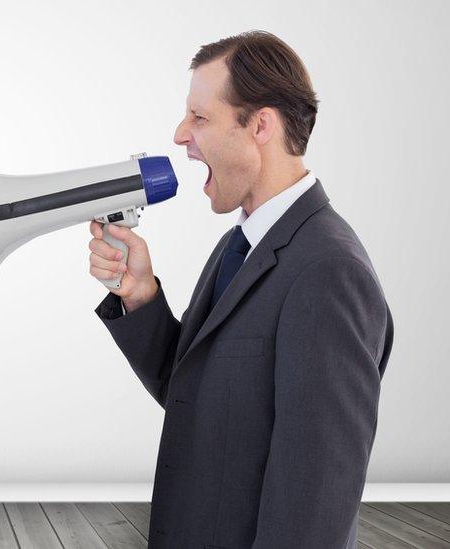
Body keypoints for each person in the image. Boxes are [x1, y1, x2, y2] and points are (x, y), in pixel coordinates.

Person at [89, 31, 394, 548]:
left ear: (260, 125)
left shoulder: (329, 272)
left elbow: (314, 503)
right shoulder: (241, 244)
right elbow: (200, 397)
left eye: (200, 118)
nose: (180, 134)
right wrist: (140, 296)